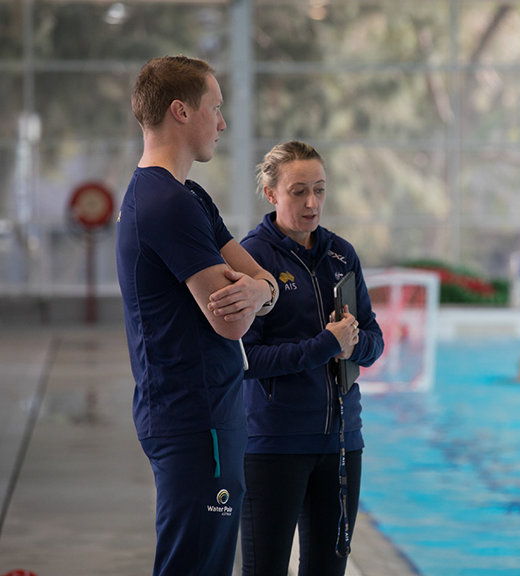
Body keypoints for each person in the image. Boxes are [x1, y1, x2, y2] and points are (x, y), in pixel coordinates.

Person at [116, 55, 279, 576]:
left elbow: (267, 282)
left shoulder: (188, 197)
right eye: (216, 108)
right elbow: (230, 322)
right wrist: (255, 296)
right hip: (194, 418)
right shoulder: (167, 204)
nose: (223, 123)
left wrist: (257, 292)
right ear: (181, 112)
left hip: (205, 415)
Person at [238, 141, 384, 576]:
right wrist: (325, 343)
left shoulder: (342, 255)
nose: (311, 203)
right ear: (271, 193)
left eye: (319, 190)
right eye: (299, 191)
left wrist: (352, 342)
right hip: (274, 445)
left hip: (341, 444)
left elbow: (374, 339)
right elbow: (247, 359)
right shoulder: (252, 259)